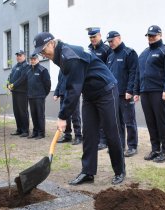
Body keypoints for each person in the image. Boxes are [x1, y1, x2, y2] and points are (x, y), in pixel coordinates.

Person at [33, 32, 125, 185]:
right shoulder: (60, 56)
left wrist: (63, 116)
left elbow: (74, 89)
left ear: (51, 44)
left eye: (43, 50)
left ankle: (119, 170)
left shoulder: (70, 56)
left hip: (106, 91)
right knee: (89, 134)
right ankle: (88, 172)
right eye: (40, 52)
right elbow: (68, 82)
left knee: (111, 131)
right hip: (89, 94)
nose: (42, 54)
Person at [134, 25, 165, 163]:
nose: (151, 37)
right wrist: (136, 91)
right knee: (151, 122)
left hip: (160, 92)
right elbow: (137, 74)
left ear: (160, 35)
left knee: (161, 121)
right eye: (149, 35)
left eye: (153, 35)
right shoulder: (143, 54)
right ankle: (155, 149)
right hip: (145, 92)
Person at [106, 31, 138, 157]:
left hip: (125, 94)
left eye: (112, 41)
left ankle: (132, 146)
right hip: (113, 94)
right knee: (117, 122)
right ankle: (120, 145)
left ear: (119, 38)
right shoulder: (110, 56)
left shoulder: (129, 53)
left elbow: (133, 73)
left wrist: (130, 90)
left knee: (129, 121)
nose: (110, 44)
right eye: (108, 42)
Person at [87, 27, 113, 150]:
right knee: (94, 116)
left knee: (104, 116)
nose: (92, 39)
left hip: (105, 86)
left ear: (100, 36)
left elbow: (110, 67)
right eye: (90, 37)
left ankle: (104, 140)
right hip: (92, 87)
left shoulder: (106, 49)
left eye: (94, 37)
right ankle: (97, 139)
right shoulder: (88, 49)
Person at [26, 54, 51, 139]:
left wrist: (44, 94)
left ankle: (41, 133)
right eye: (31, 59)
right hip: (31, 96)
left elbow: (47, 84)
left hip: (40, 96)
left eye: (34, 59)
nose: (32, 61)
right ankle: (35, 132)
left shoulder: (43, 70)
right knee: (33, 115)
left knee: (40, 115)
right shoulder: (29, 70)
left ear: (38, 59)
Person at [54, 70, 82, 145]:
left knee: (75, 116)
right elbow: (59, 82)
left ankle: (78, 136)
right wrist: (56, 93)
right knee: (65, 117)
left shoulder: (74, 66)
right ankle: (67, 135)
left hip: (72, 94)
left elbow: (78, 81)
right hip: (63, 95)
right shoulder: (61, 69)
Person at [7, 50, 30, 137]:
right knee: (16, 111)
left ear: (24, 56)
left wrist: (13, 85)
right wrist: (8, 84)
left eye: (20, 55)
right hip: (15, 91)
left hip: (22, 92)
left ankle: (25, 130)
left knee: (22, 111)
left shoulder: (26, 66)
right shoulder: (15, 66)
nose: (18, 57)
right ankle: (19, 129)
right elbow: (10, 76)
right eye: (17, 55)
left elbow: (23, 78)